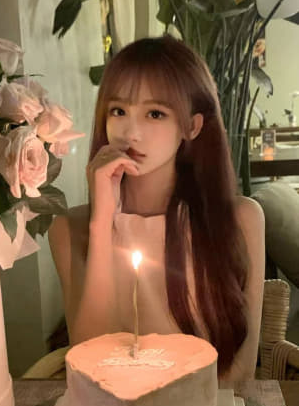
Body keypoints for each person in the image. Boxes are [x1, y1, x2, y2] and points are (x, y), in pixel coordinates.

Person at [48, 36, 265, 384]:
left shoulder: (240, 219)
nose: (131, 133)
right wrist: (102, 223)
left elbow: (240, 375)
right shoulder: (69, 228)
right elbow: (90, 363)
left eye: (155, 114)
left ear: (192, 126)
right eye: (118, 111)